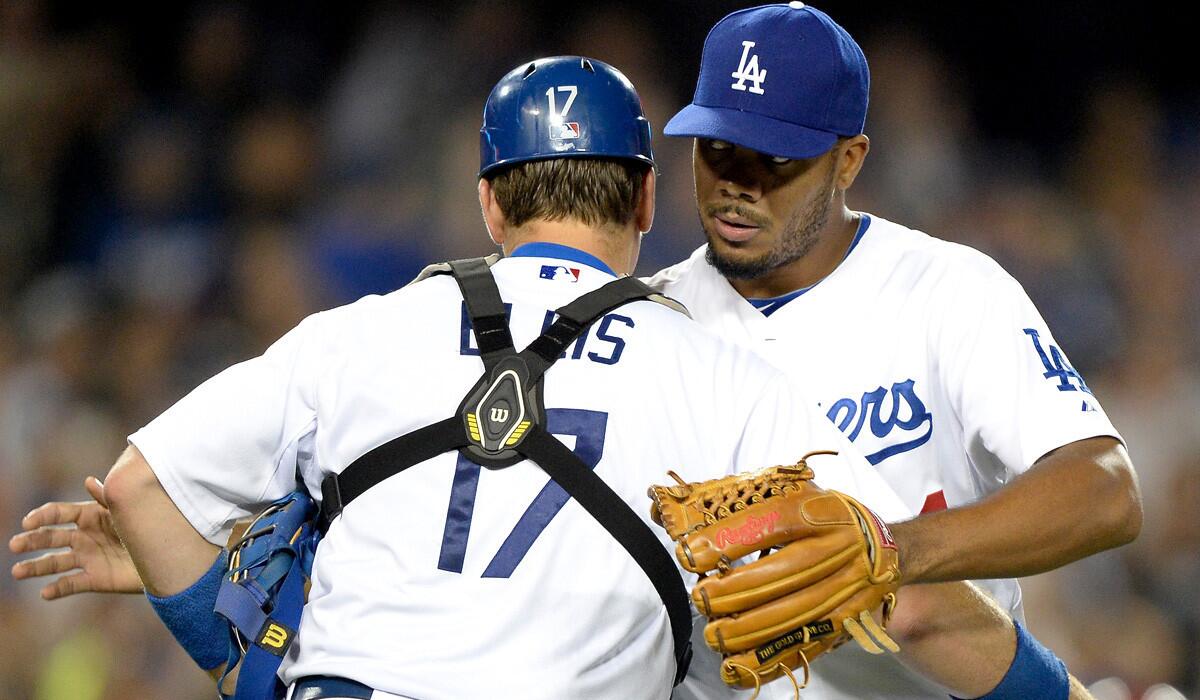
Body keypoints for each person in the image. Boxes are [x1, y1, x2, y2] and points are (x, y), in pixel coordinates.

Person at [13, 55, 1099, 700]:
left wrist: (241, 647)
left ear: (490, 203)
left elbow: (142, 490)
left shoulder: (356, 336)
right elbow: (906, 608)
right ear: (642, 205)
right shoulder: (719, 377)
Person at [645, 3, 1141, 698]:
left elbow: (1107, 490)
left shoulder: (944, 290)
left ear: (848, 161)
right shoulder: (648, 322)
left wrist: (891, 552)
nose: (738, 184)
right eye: (718, 148)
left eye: (776, 159)